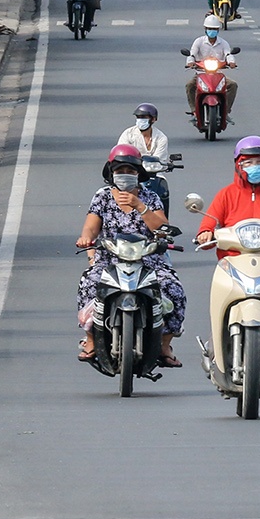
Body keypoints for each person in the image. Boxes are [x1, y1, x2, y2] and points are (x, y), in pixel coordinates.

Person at [75, 145, 185, 367]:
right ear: (112, 173)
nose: (125, 175)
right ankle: (91, 339)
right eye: (120, 170)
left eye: (130, 171)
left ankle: (164, 344)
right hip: (110, 260)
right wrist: (86, 239)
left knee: (174, 289)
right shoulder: (103, 197)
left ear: (138, 173)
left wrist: (140, 207)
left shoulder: (150, 197)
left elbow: (162, 229)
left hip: (148, 260)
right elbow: (91, 227)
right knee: (88, 283)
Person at [185, 15, 239, 120]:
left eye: (214, 29)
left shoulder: (223, 43)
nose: (212, 31)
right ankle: (194, 111)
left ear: (218, 30)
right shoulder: (199, 42)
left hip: (218, 74)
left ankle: (226, 111)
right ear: (205, 29)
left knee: (233, 85)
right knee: (189, 85)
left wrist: (231, 62)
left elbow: (228, 54)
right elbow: (192, 55)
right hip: (201, 74)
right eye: (209, 29)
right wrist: (190, 62)